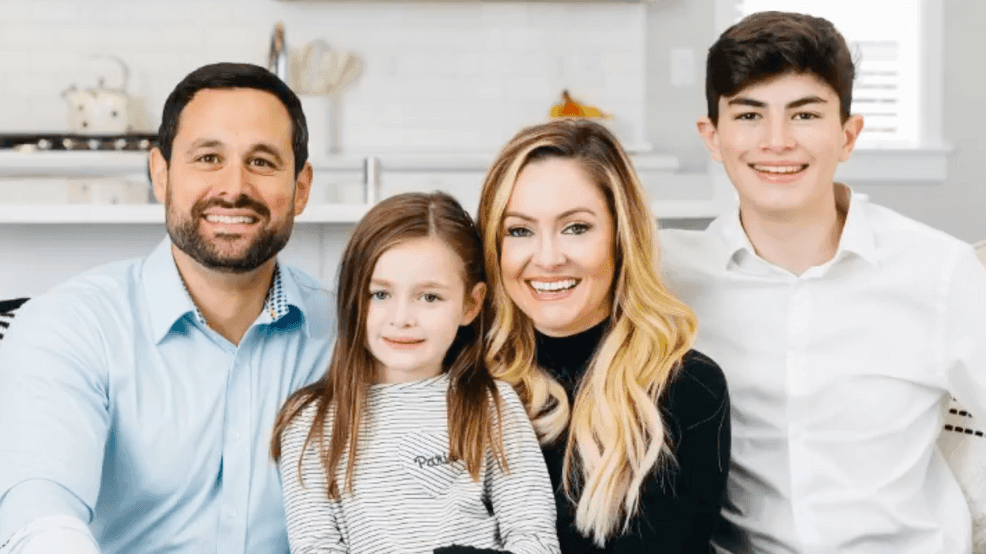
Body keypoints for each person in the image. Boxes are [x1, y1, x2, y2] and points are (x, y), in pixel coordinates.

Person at [659, 11, 986, 553]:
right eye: (750, 115)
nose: (777, 141)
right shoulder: (666, 276)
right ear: (712, 137)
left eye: (805, 114)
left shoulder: (939, 271)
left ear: (848, 135)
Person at [0, 62, 333, 553]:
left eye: (261, 162)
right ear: (161, 173)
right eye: (207, 158)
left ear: (301, 188)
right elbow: (41, 517)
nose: (234, 186)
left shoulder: (353, 335)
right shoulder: (69, 325)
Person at [476, 119, 730, 552]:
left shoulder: (689, 390)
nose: (548, 258)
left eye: (576, 227)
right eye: (519, 231)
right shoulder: (463, 380)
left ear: (620, 236)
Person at [271, 191, 559, 554]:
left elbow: (535, 538)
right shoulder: (310, 420)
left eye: (429, 297)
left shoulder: (492, 406)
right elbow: (315, 546)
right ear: (353, 298)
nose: (402, 318)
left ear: (471, 304)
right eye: (380, 294)